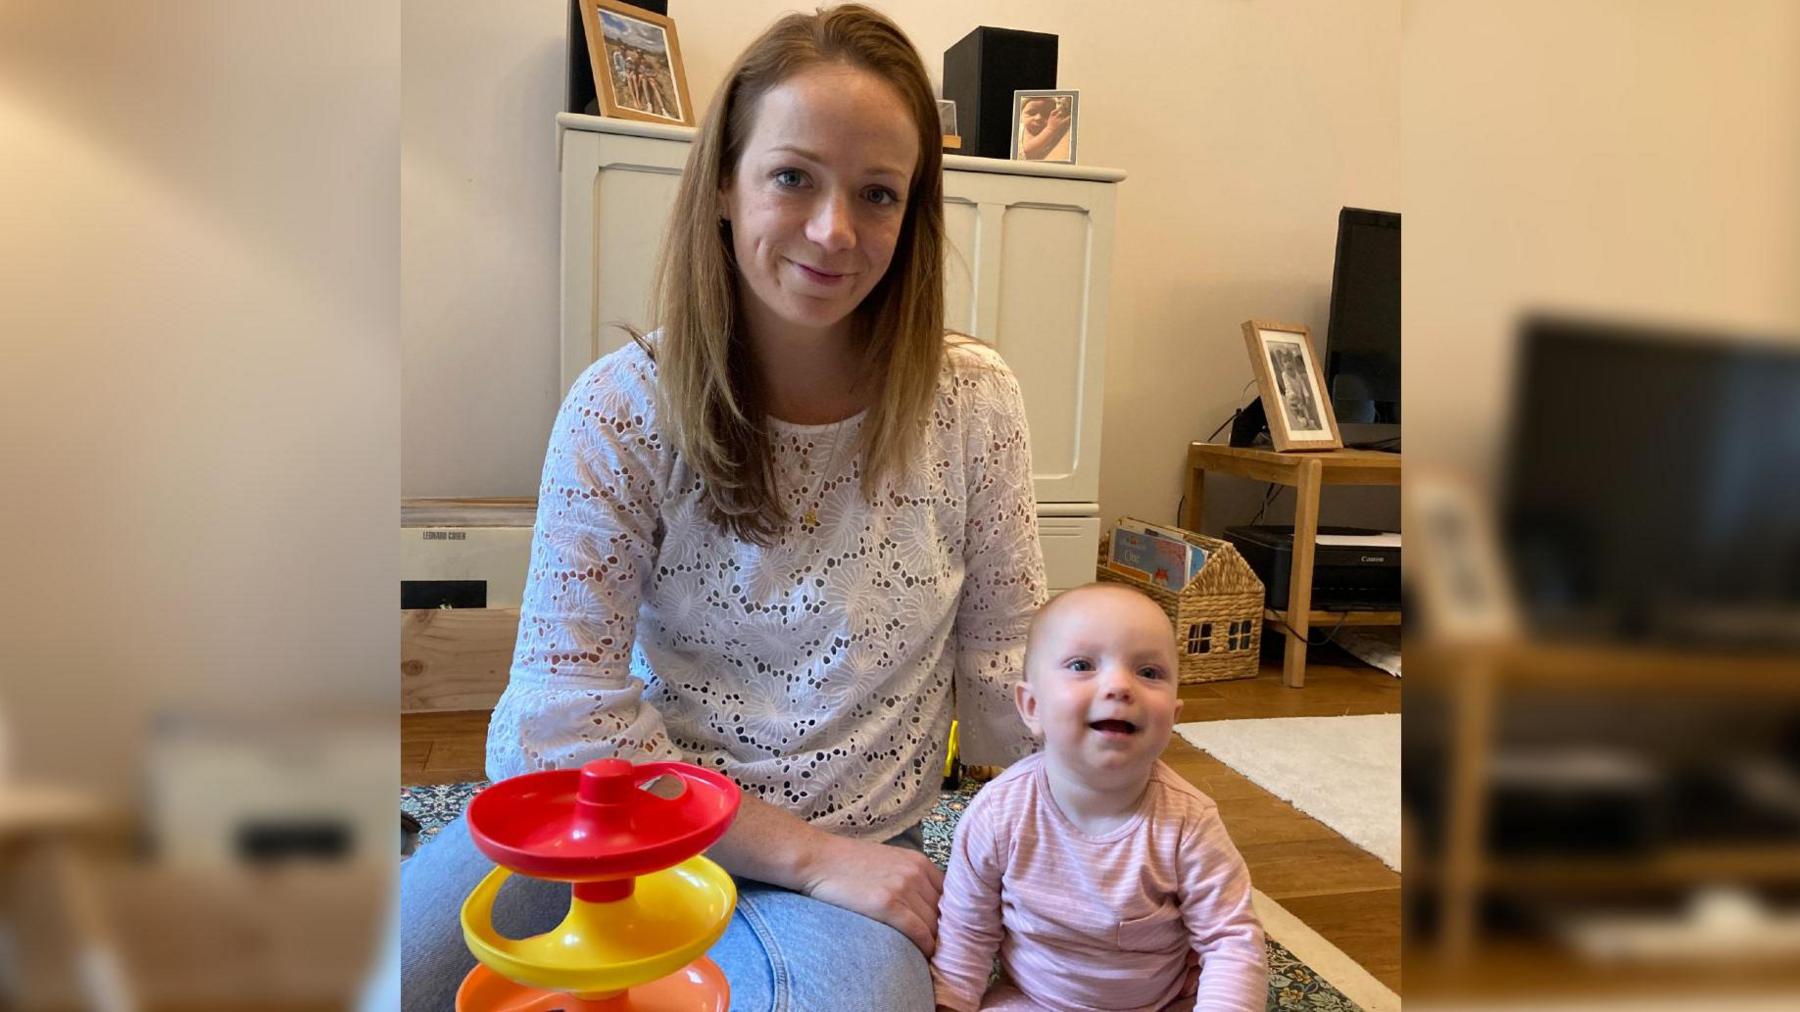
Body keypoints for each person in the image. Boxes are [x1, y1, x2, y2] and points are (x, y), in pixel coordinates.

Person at [399, 5, 1045, 1010]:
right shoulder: (620, 406)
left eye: (878, 194)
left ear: (911, 217)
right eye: (794, 176)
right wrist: (798, 854)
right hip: (616, 820)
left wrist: (1100, 826)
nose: (836, 230)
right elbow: (561, 719)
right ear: (726, 189)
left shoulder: (977, 402)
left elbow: (1010, 672)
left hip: (856, 843)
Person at [930, 583, 1268, 1012]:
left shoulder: (1190, 822)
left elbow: (1230, 941)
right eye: (1082, 664)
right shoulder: (996, 815)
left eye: (1148, 672)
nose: (1119, 686)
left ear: (1174, 718)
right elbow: (967, 931)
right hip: (1034, 1000)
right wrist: (951, 1004)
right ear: (1031, 707)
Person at [1017, 95, 1072, 161]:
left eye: (1046, 114)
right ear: (1021, 114)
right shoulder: (1019, 130)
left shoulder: (1058, 133)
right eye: (1032, 113)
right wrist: (1050, 129)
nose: (1038, 118)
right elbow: (1023, 153)